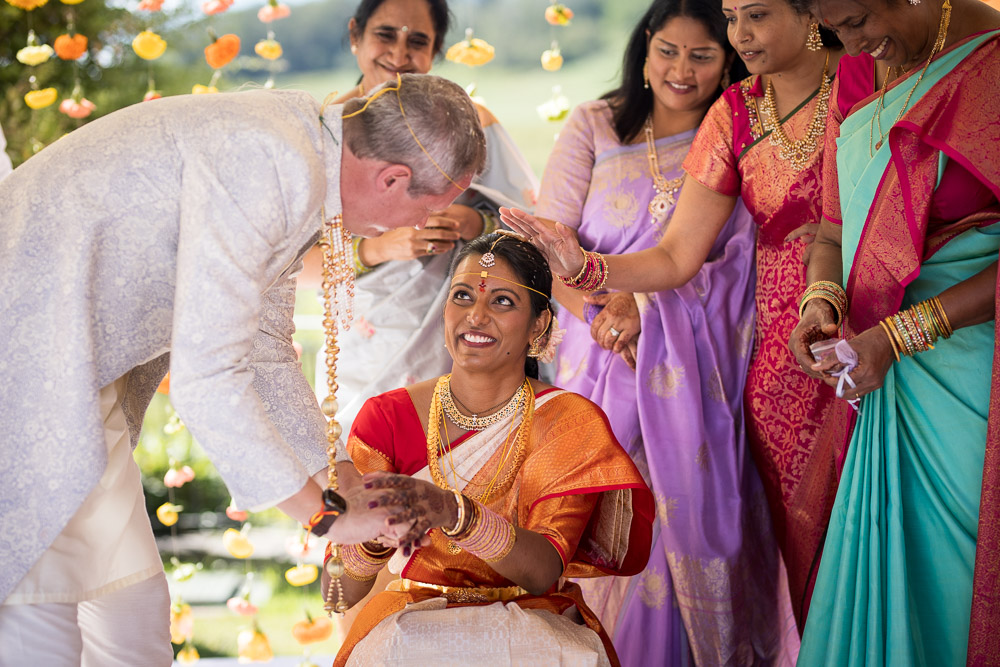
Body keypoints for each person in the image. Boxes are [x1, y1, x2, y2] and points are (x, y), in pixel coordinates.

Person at [0, 73, 486, 664]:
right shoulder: (275, 158)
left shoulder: (302, 156)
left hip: (69, 380)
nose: (407, 232)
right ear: (393, 179)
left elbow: (263, 346)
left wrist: (340, 477)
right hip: (25, 370)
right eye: (426, 211)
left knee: (131, 618)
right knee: (42, 619)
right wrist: (325, 517)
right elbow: (209, 379)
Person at [502, 0, 853, 628]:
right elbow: (551, 241)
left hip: (706, 359)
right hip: (597, 361)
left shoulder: (764, 114)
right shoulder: (602, 123)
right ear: (643, 52)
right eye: (667, 50)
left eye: (702, 53)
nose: (681, 68)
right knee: (594, 522)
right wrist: (603, 316)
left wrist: (644, 310)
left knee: (690, 524)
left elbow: (729, 258)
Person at [325, 232, 654, 666]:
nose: (475, 315)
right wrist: (373, 537)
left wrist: (452, 512)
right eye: (462, 296)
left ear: (539, 326)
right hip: (413, 626)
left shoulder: (568, 420)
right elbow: (335, 594)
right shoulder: (387, 417)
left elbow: (543, 573)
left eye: (502, 301)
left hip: (535, 624)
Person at [784, 0, 1000, 662]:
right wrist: (818, 302)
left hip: (974, 380)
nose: (850, 43)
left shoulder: (991, 65)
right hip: (878, 373)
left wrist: (901, 336)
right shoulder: (855, 74)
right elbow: (832, 228)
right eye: (834, 29)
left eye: (858, 21)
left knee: (961, 579)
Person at [299, 0, 538, 437]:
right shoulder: (324, 134)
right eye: (385, 35)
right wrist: (374, 249)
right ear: (356, 35)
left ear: (436, 50)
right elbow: (288, 268)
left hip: (465, 335)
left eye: (418, 41)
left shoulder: (471, 125)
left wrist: (474, 224)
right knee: (366, 466)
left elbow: (536, 232)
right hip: (362, 347)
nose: (399, 53)